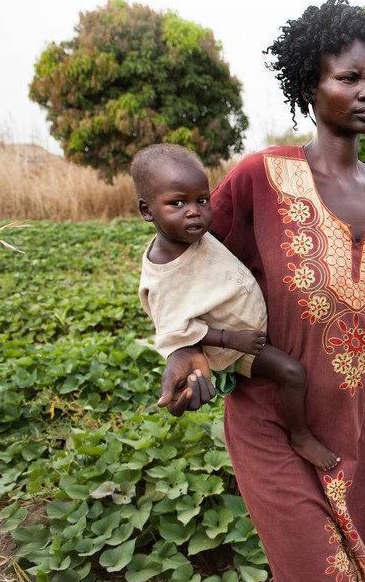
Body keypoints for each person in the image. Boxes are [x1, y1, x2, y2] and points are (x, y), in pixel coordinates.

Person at [155, 0, 365, 582]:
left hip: (357, 438)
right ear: (310, 86)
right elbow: (185, 263)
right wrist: (185, 350)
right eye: (349, 78)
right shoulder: (260, 179)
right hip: (273, 427)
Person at [133, 143, 339, 471]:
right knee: (292, 372)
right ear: (147, 210)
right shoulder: (165, 271)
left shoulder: (188, 236)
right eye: (176, 203)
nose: (194, 211)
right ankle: (300, 436)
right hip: (234, 348)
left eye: (202, 200)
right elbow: (176, 332)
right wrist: (232, 340)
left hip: (244, 333)